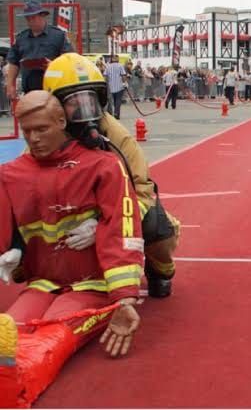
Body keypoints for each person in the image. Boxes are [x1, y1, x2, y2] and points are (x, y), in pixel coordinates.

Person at [0, 90, 143, 408]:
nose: (34, 139)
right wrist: (10, 252)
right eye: (27, 131)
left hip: (92, 285)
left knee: (49, 340)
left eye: (42, 129)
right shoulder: (11, 174)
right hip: (43, 284)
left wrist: (124, 298)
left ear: (62, 121)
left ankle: (12, 395)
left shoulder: (103, 166)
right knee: (8, 332)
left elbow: (123, 228)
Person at [42, 53, 179, 297]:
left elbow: (143, 190)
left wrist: (104, 225)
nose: (85, 110)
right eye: (74, 102)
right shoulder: (44, 138)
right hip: (69, 213)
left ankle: (161, 269)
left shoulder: (117, 137)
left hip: (114, 208)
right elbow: (27, 187)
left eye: (90, 100)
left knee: (156, 226)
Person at [5, 0, 74, 100]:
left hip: (54, 91)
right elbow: (13, 62)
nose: (30, 21)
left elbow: (69, 59)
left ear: (42, 16)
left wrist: (54, 65)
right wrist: (10, 85)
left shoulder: (58, 36)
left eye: (33, 17)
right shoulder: (21, 38)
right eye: (27, 18)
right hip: (29, 93)